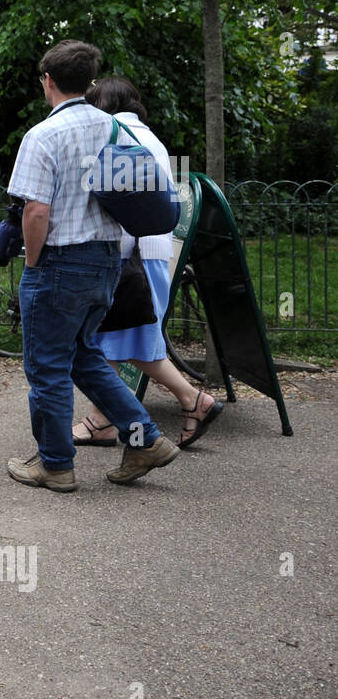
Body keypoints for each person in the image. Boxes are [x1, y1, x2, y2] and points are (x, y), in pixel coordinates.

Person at [6, 40, 178, 492]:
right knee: (84, 357)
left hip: (60, 263)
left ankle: (56, 464)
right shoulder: (115, 130)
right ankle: (146, 440)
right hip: (107, 261)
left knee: (46, 367)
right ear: (90, 82)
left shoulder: (42, 136)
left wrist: (33, 261)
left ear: (48, 81)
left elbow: (35, 212)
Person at [71, 76, 224, 449]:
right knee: (114, 338)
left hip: (131, 255)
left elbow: (106, 200)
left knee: (127, 339)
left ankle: (191, 400)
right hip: (150, 251)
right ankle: (104, 419)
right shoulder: (147, 136)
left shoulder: (116, 134)